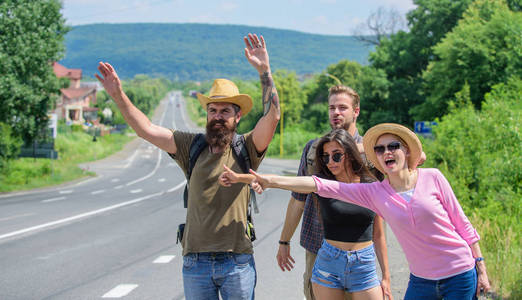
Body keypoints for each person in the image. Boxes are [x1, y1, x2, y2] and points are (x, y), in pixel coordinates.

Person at [95, 33, 280, 300]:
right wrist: (118, 95)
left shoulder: (247, 146)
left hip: (236, 261)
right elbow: (145, 129)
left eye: (225, 111)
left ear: (238, 116)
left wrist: (265, 71)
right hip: (196, 263)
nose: (218, 117)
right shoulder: (189, 146)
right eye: (213, 110)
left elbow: (272, 116)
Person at [241, 123, 491, 300]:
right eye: (379, 150)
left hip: (459, 271)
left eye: (393, 146)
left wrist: (480, 267)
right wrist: (270, 180)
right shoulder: (375, 192)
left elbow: (462, 223)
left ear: (406, 151)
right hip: (421, 279)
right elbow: (317, 184)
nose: (386, 152)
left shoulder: (433, 177)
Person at [219, 129, 392, 300]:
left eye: (337, 155)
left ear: (350, 153)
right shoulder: (323, 184)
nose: (331, 161)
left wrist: (386, 277)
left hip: (363, 265)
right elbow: (283, 181)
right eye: (325, 157)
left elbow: (378, 235)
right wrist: (241, 178)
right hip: (329, 264)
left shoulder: (371, 186)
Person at [277, 85, 371, 300]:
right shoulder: (315, 150)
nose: (336, 112)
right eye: (331, 108)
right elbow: (298, 199)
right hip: (318, 248)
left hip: (358, 251)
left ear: (356, 111)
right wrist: (284, 242)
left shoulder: (373, 151)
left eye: (342, 107)